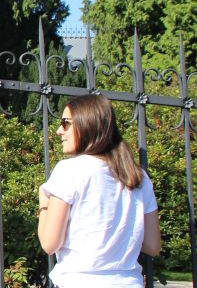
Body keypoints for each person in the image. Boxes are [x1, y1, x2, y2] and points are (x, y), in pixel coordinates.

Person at [37, 94, 161, 287]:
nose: (59, 130)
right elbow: (152, 246)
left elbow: (49, 243)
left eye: (66, 123)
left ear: (87, 123)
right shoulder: (139, 177)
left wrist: (44, 204)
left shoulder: (69, 170)